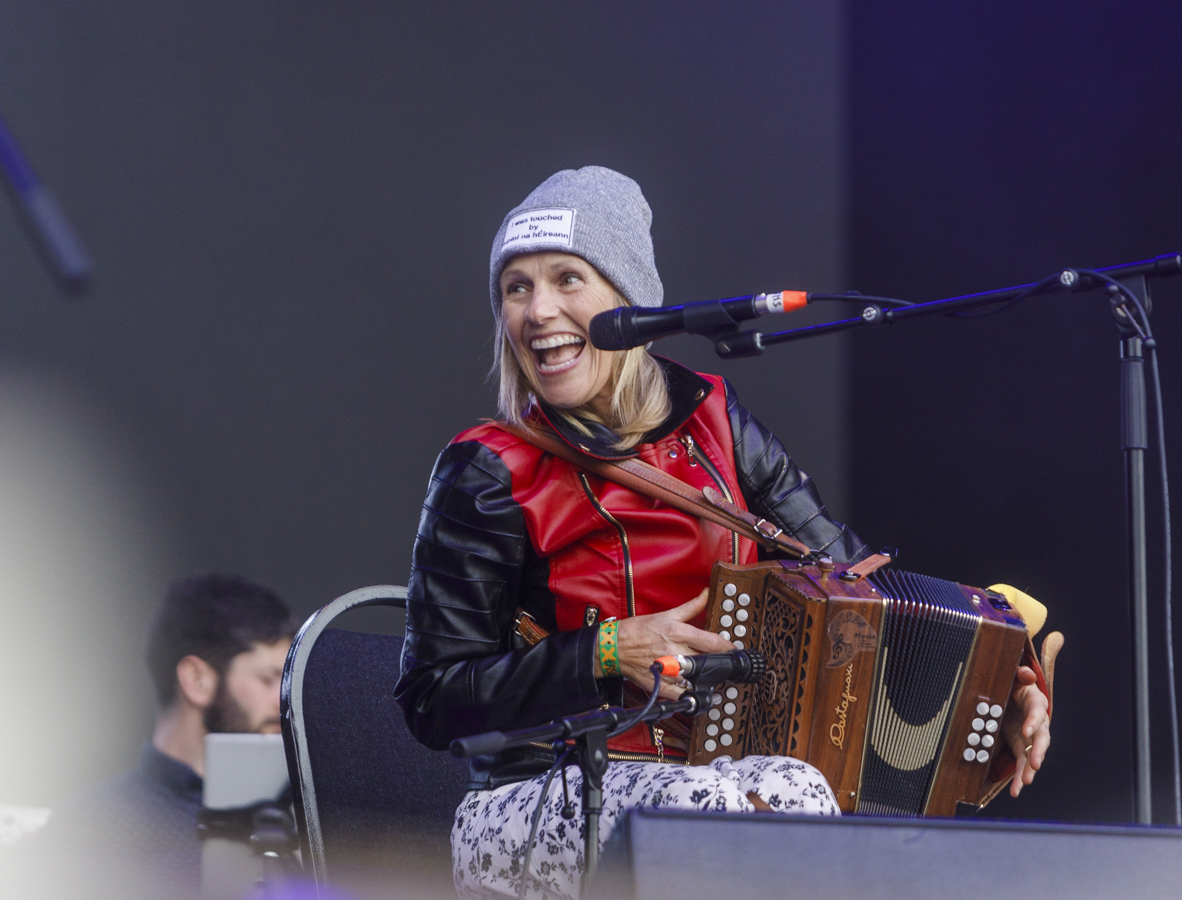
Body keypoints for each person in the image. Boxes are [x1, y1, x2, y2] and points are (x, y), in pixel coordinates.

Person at [394, 167, 1052, 900]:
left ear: (628, 301)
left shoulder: (714, 418)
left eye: (567, 279)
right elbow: (432, 698)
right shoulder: (487, 468)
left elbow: (853, 582)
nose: (539, 310)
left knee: (797, 794)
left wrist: (990, 692)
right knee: (706, 812)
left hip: (714, 780)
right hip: (534, 797)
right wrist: (606, 651)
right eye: (516, 288)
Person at [31, 573, 295, 900]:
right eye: (269, 679)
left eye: (289, 684)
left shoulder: (302, 818)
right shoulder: (86, 829)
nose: (284, 701)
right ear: (197, 680)